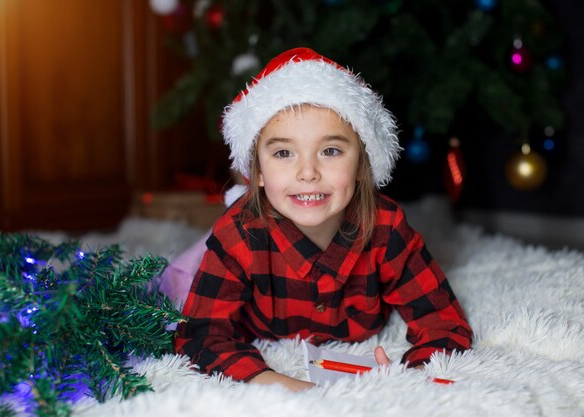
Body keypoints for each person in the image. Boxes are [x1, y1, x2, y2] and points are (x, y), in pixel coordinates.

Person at [174, 47, 472, 392]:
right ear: (256, 172)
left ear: (361, 165)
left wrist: (412, 380)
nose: (308, 173)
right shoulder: (239, 234)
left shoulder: (387, 229)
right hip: (258, 312)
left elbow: (443, 322)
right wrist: (278, 383)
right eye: (284, 153)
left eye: (330, 151)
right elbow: (200, 335)